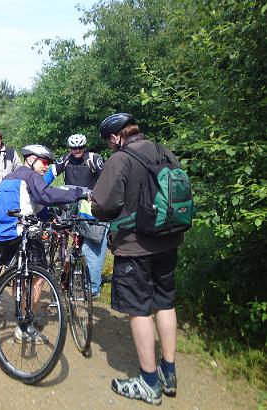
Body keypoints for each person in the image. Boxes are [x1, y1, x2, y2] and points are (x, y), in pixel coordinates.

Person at [91, 113, 183, 405]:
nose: (109, 145)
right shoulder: (163, 151)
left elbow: (103, 205)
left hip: (135, 247)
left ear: (117, 136)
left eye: (109, 140)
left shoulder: (119, 159)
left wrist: (94, 207)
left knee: (139, 309)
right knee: (164, 303)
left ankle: (148, 381)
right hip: (169, 241)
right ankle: (169, 371)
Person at [0, 144, 89, 344]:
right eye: (44, 162)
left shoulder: (12, 176)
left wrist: (49, 215)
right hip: (23, 232)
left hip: (5, 232)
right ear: (30, 159)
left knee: (17, 276)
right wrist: (77, 193)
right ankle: (26, 324)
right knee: (38, 276)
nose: (47, 167)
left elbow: (31, 203)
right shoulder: (31, 176)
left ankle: (18, 310)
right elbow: (45, 195)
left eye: (49, 163)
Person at [44, 133, 108, 298]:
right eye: (74, 148)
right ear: (69, 148)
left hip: (88, 203)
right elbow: (50, 174)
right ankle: (64, 262)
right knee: (64, 230)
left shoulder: (93, 159)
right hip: (70, 201)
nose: (77, 150)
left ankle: (86, 275)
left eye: (80, 147)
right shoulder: (65, 159)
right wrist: (40, 188)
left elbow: (106, 178)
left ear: (85, 147)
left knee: (87, 237)